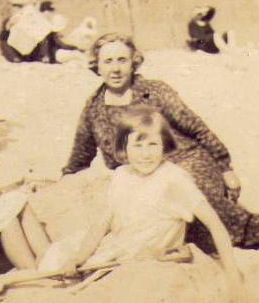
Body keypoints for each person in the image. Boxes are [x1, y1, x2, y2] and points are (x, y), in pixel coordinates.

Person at [21, 106, 246, 303]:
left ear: (164, 146)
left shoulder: (173, 179)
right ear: (123, 150)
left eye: (153, 144)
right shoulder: (122, 175)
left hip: (147, 262)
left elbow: (215, 225)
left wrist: (233, 276)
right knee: (56, 263)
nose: (146, 154)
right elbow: (102, 224)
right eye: (137, 146)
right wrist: (78, 258)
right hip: (113, 250)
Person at [62, 32, 259, 253]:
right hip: (138, 173)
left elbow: (196, 128)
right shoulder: (93, 108)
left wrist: (225, 168)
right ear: (96, 65)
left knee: (190, 194)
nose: (115, 69)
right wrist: (64, 180)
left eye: (122, 60)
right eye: (108, 61)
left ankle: (249, 234)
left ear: (133, 62)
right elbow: (81, 155)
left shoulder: (155, 92)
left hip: (185, 160)